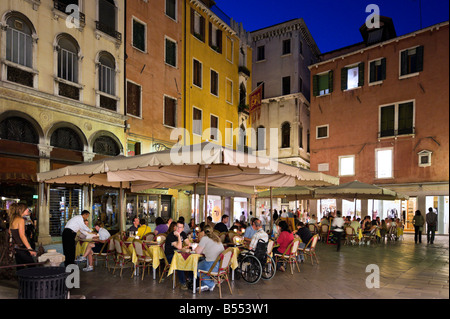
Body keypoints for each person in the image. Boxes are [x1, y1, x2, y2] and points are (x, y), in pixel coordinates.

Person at [195, 225, 224, 292]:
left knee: (195, 267)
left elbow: (197, 251)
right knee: (202, 263)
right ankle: (204, 285)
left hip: (213, 265)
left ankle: (210, 284)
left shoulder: (204, 238)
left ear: (203, 232)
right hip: (221, 265)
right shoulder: (217, 238)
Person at [8, 203, 37, 269]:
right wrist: (30, 249)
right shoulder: (20, 220)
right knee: (32, 267)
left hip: (16, 248)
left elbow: (10, 232)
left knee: (20, 268)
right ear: (21, 210)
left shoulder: (13, 219)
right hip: (22, 247)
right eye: (26, 208)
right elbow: (22, 235)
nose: (28, 210)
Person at [164, 220, 191, 290]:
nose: (179, 229)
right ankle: (183, 283)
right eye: (178, 227)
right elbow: (179, 247)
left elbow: (188, 243)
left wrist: (186, 247)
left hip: (179, 254)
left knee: (191, 259)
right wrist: (179, 236)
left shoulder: (183, 234)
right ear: (175, 227)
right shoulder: (170, 236)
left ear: (183, 228)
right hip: (170, 256)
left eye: (181, 227)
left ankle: (190, 280)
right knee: (180, 261)